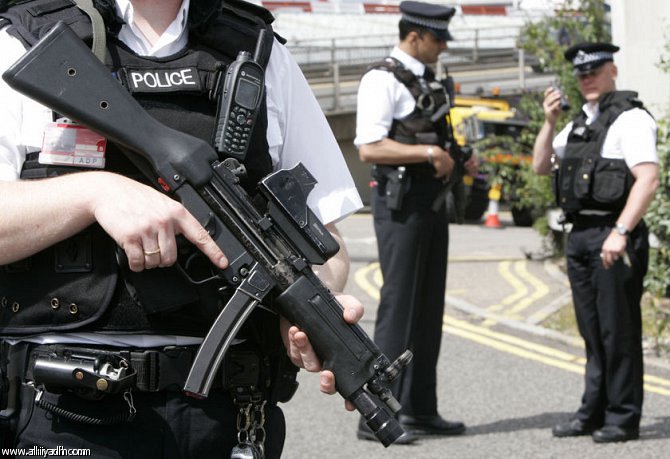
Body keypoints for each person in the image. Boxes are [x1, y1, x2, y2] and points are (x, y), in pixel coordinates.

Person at [0, 0, 365, 457]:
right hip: (65, 411)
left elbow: (326, 236)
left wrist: (312, 304)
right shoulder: (25, 40)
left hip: (231, 411)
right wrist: (94, 194)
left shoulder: (259, 52)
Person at [354, 0, 474, 443]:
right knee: (400, 306)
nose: (443, 46)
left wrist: (457, 156)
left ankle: (421, 408)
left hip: (431, 202)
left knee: (427, 308)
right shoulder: (381, 78)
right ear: (414, 36)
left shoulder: (428, 80)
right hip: (400, 205)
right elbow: (369, 147)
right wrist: (429, 152)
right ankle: (377, 416)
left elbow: (430, 132)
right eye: (438, 39)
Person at [532, 42, 659, 443]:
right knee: (591, 330)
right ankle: (593, 411)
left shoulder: (631, 119)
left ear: (612, 71)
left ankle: (622, 417)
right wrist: (549, 121)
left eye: (595, 71)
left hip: (613, 234)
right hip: (581, 235)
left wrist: (621, 231)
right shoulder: (579, 123)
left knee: (617, 331)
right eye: (582, 73)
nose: (587, 78)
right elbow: (540, 165)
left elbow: (648, 179)